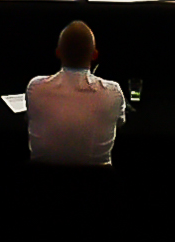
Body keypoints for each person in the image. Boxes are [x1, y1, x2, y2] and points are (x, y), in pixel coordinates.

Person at [26, 20, 125, 167]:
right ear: (94, 55)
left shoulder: (35, 88)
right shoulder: (113, 93)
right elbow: (120, 123)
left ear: (58, 53)